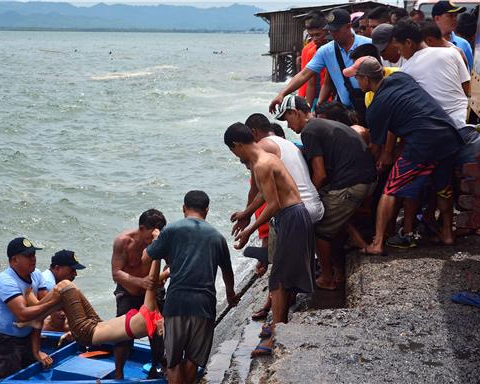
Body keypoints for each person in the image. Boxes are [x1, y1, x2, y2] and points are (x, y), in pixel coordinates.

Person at [348, 57, 463, 255]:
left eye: (358, 78)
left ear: (366, 79)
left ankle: (377, 243)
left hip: (423, 142)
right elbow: (400, 117)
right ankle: (447, 234)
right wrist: (389, 153)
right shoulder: (401, 78)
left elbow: (376, 146)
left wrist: (374, 164)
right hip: (448, 133)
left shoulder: (376, 107)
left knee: (390, 189)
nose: (357, 83)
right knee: (443, 187)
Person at [224, 124, 315, 356]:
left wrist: (250, 230)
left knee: (279, 279)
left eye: (233, 151)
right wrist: (246, 213)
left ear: (237, 145)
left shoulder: (262, 164)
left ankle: (276, 333)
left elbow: (273, 204)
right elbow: (265, 194)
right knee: (282, 276)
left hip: (291, 216)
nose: (236, 156)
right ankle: (277, 327)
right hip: (293, 216)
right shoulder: (266, 158)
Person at [275, 95, 377, 290]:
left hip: (354, 184)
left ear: (295, 113)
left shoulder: (309, 131)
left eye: (287, 120)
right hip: (365, 179)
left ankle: (327, 278)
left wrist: (304, 198)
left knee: (319, 228)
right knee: (329, 210)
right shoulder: (322, 125)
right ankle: (355, 248)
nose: (288, 126)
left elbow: (320, 174)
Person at [143, 190, 237, 383]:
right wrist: (230, 295)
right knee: (193, 360)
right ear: (207, 210)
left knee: (173, 361)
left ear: (184, 208)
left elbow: (146, 257)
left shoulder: (171, 231)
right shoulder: (217, 237)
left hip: (176, 303)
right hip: (204, 305)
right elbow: (228, 272)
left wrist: (156, 241)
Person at [15, 260, 168, 349]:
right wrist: (167, 272)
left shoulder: (150, 318)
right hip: (95, 323)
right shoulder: (152, 315)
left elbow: (151, 283)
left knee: (65, 286)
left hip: (88, 332)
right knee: (70, 289)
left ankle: (35, 316)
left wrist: (156, 253)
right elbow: (154, 283)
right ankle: (36, 318)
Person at [394, 20, 480, 165]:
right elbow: (469, 90)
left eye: (399, 48)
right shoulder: (452, 53)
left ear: (409, 43)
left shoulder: (406, 70)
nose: (400, 54)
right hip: (467, 129)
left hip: (441, 136)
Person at [269, 9, 372, 121]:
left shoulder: (368, 44)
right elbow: (304, 74)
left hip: (371, 106)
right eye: (330, 30)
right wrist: (282, 94)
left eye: (336, 30)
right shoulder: (326, 51)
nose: (333, 34)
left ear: (348, 26)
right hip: (345, 111)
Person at [0, 237, 56, 378]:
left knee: (35, 373)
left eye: (34, 254)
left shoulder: (36, 275)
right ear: (15, 259)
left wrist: (37, 350)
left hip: (26, 337)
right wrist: (53, 302)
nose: (33, 259)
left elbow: (42, 308)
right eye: (28, 256)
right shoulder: (6, 280)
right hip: (2, 341)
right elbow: (23, 314)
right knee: (11, 378)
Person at [111, 209, 166, 379]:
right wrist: (140, 281)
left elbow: (173, 264)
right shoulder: (123, 242)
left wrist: (162, 276)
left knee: (158, 333)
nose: (152, 242)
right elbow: (116, 273)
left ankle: (156, 368)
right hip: (128, 292)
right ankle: (118, 372)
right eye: (150, 237)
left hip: (152, 291)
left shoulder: (162, 240)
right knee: (124, 335)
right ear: (142, 228)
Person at [298, 11, 330, 108]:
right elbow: (307, 80)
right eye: (311, 36)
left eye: (317, 35)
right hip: (321, 97)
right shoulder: (309, 50)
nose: (314, 39)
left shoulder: (337, 46)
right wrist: (305, 107)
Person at [432, 1, 473, 69]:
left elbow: (469, 72)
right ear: (437, 19)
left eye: (455, 16)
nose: (454, 19)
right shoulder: (427, 43)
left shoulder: (463, 44)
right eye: (450, 16)